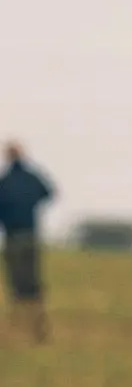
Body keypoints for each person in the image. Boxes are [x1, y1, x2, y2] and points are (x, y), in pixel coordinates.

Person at [0, 140, 56, 343]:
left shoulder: (4, 181)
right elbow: (49, 193)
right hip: (31, 236)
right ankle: (38, 327)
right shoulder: (32, 178)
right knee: (33, 282)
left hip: (13, 237)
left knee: (16, 283)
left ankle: (17, 326)